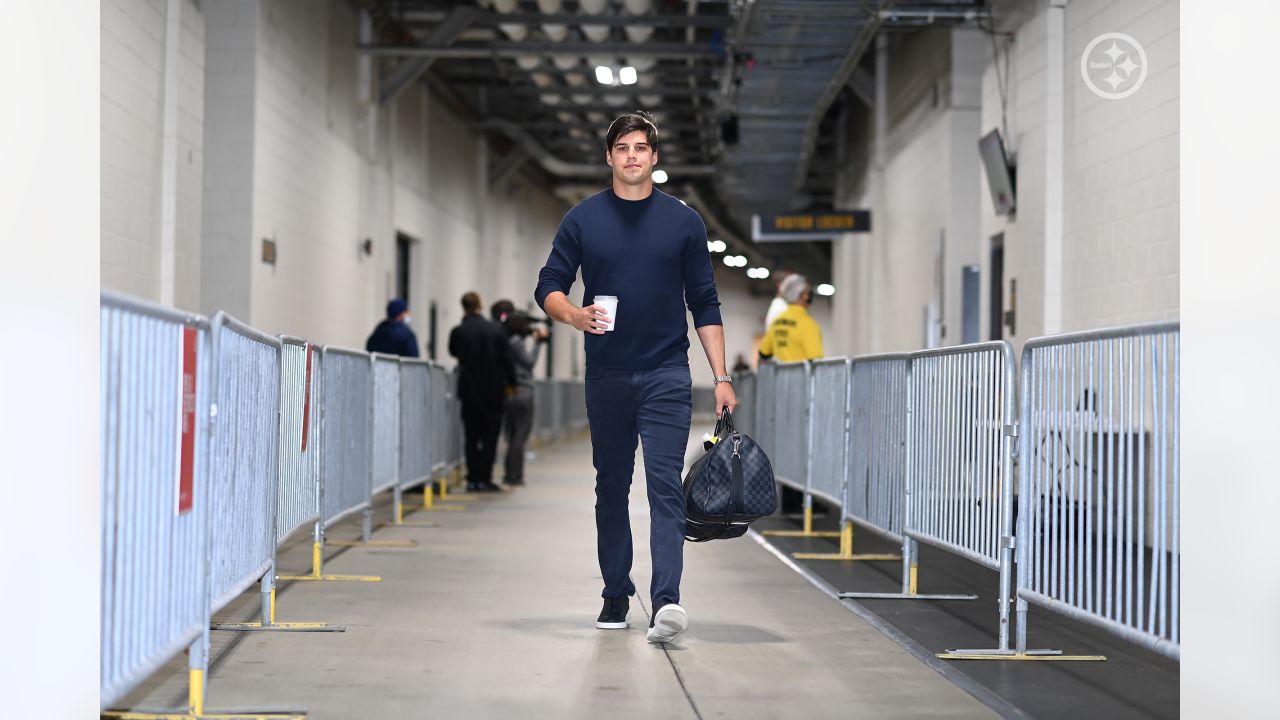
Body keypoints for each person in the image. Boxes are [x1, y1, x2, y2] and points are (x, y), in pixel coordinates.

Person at [535, 110, 736, 644]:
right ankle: (615, 593)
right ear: (609, 156)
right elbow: (549, 284)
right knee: (611, 488)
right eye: (622, 147)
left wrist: (720, 374)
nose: (631, 156)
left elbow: (705, 303)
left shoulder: (684, 222)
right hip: (607, 375)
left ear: (654, 157)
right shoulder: (583, 219)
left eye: (641, 148)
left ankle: (667, 601)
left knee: (664, 486)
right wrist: (575, 315)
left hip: (668, 374)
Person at [448, 291, 514, 493]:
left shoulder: (459, 331)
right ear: (480, 306)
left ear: (463, 307)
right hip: (493, 391)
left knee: (471, 436)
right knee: (490, 436)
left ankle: (473, 478)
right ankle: (485, 478)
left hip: (469, 391)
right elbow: (506, 360)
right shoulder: (495, 331)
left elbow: (453, 351)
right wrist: (511, 384)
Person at [501, 310, 548, 486]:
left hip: (511, 391)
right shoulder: (516, 342)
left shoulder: (506, 341)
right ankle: (515, 475)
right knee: (520, 434)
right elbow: (529, 362)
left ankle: (509, 473)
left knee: (512, 434)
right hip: (523, 390)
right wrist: (538, 343)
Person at [758, 274, 824, 362]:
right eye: (808, 292)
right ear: (803, 296)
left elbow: (764, 353)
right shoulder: (808, 324)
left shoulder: (776, 322)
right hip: (802, 375)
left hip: (780, 375)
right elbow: (816, 361)